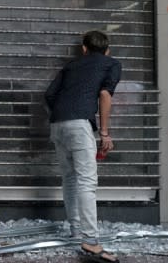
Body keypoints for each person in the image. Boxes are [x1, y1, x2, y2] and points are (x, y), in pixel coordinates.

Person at [44, 30, 122, 263]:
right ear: (107, 50)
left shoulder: (71, 65)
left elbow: (49, 95)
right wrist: (105, 133)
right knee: (87, 182)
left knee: (69, 178)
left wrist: (62, 116)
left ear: (84, 48)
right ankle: (90, 240)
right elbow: (105, 95)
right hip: (79, 124)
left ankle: (76, 229)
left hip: (57, 124)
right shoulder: (111, 63)